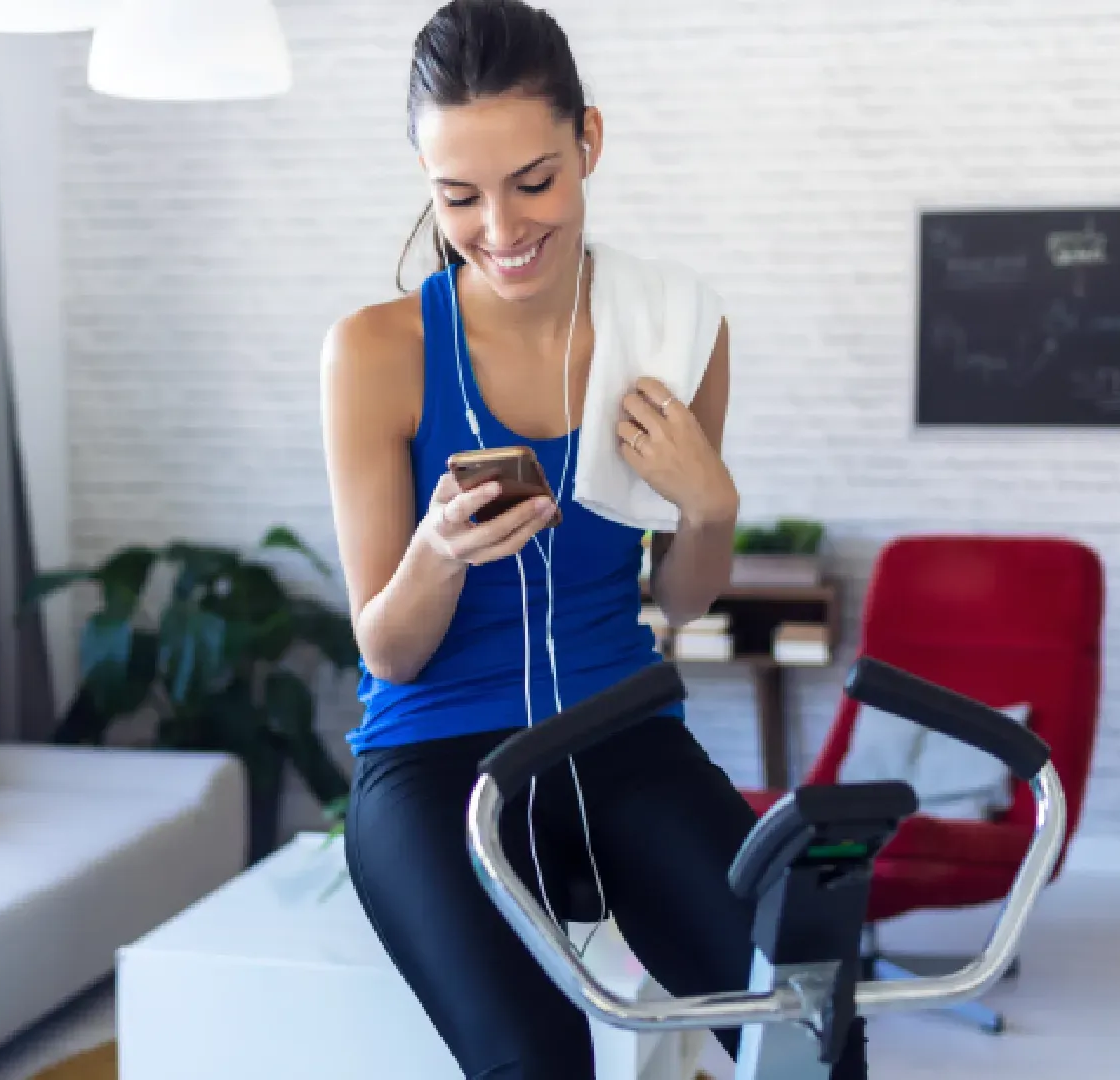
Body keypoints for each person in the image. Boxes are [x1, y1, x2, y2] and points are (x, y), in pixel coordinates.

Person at [319, 2, 862, 1077]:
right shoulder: (375, 353)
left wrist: (710, 506)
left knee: (811, 1033)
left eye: (533, 181)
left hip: (621, 732)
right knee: (537, 1064)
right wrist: (435, 551)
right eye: (457, 196)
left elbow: (688, 602)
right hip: (435, 761)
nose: (501, 229)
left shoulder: (674, 329)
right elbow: (385, 651)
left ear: (589, 143)